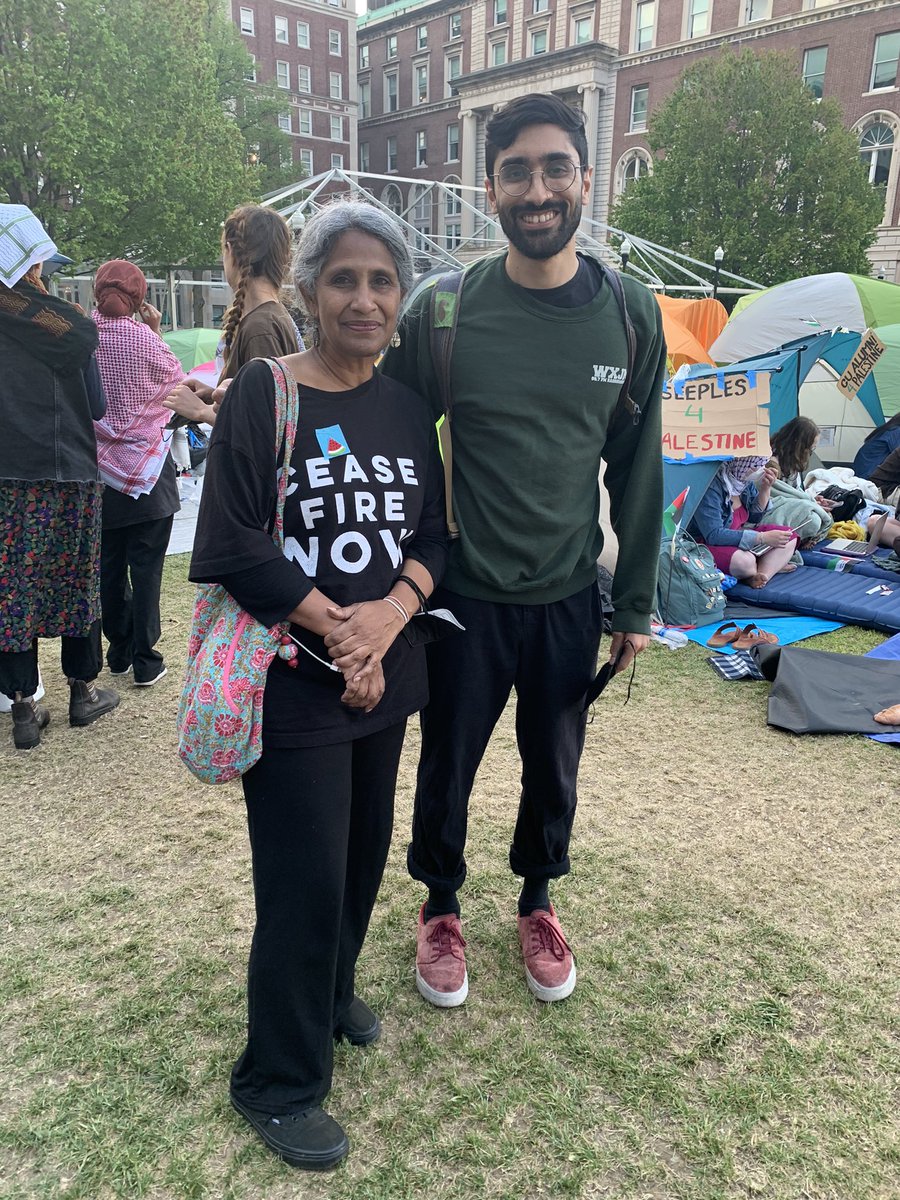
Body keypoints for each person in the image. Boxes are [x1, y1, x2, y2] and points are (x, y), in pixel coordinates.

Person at [376, 94, 666, 1008]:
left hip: (570, 590)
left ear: (585, 178)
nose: (536, 189)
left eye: (553, 168)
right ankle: (441, 904)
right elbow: (390, 441)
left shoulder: (629, 314)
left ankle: (538, 899)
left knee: (555, 758)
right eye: (516, 171)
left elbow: (640, 466)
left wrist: (634, 606)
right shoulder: (444, 312)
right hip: (463, 592)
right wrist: (390, 585)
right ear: (490, 188)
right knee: (448, 758)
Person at [188, 201, 448, 1171]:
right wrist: (336, 624)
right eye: (345, 278)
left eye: (383, 281)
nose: (365, 299)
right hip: (295, 681)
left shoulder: (407, 406)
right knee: (300, 883)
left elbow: (431, 539)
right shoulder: (265, 393)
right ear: (309, 290)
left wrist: (388, 613)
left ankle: (332, 994)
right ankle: (277, 1079)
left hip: (386, 678)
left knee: (361, 861)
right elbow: (229, 544)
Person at [0, 204, 119, 750]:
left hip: (7, 477)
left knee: (12, 590)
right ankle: (81, 692)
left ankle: (23, 708)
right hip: (70, 471)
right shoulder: (72, 326)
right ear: (31, 265)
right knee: (77, 581)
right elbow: (95, 405)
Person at [92, 260, 185, 686]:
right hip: (148, 474)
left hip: (98, 472)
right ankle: (148, 660)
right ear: (140, 296)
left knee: (108, 568)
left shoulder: (80, 337)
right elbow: (177, 389)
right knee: (147, 571)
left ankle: (119, 651)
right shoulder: (146, 340)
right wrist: (155, 329)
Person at [164, 204, 300, 428]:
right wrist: (213, 394)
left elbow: (269, 428)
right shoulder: (267, 318)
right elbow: (255, 401)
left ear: (229, 250)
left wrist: (202, 412)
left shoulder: (260, 328)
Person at [689, 457, 798, 587]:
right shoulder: (711, 487)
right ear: (739, 462)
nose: (759, 470)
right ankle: (765, 567)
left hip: (737, 539)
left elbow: (753, 517)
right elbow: (714, 535)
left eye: (761, 466)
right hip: (705, 544)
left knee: (788, 535)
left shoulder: (742, 482)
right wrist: (761, 538)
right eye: (754, 466)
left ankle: (761, 575)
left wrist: (765, 489)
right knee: (745, 562)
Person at [769, 416, 820, 489]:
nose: (810, 452)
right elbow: (776, 495)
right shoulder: (773, 463)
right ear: (798, 444)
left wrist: (811, 498)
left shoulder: (791, 459)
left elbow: (794, 491)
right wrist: (807, 499)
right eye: (810, 447)